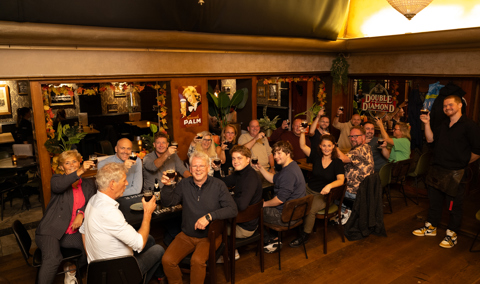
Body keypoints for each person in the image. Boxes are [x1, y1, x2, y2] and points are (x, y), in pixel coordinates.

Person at [413, 95, 480, 248]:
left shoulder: (469, 126)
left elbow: (478, 150)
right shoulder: (443, 124)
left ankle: (452, 234)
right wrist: (427, 124)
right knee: (434, 202)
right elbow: (430, 140)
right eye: (444, 106)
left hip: (456, 174)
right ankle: (431, 228)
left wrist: (462, 162)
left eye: (450, 104)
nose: (447, 108)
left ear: (460, 105)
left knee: (453, 206)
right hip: (436, 170)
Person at [160, 151, 238, 284]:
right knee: (167, 260)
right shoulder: (184, 184)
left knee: (196, 261)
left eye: (201, 166)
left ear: (208, 167)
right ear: (190, 169)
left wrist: (209, 217)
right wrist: (167, 187)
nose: (198, 169)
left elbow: (233, 210)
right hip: (187, 235)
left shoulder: (218, 185)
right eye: (195, 166)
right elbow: (168, 202)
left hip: (210, 236)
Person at [80, 163, 165, 283]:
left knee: (149, 239)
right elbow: (139, 243)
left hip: (97, 270)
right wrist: (147, 212)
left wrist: (93, 260)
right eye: (124, 180)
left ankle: (159, 276)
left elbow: (83, 232)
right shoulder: (109, 212)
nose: (126, 183)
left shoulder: (93, 200)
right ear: (112, 184)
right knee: (159, 249)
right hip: (119, 273)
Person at [35, 150, 96, 284]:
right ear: (62, 167)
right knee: (53, 259)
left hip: (72, 231)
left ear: (79, 161)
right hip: (51, 230)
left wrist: (81, 213)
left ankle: (70, 270)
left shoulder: (88, 184)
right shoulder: (57, 180)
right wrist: (80, 171)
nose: (72, 165)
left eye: (74, 161)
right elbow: (59, 187)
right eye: (67, 163)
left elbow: (91, 203)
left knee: (91, 248)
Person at [290, 133, 345, 247]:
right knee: (293, 198)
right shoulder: (316, 156)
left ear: (334, 146)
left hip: (324, 195)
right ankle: (294, 225)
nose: (326, 148)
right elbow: (302, 146)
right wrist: (302, 132)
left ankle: (305, 235)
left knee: (310, 209)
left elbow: (341, 180)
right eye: (324, 145)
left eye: (329, 146)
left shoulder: (337, 162)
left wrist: (329, 186)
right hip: (309, 188)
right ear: (320, 146)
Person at [252, 141, 306, 253]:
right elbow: (273, 179)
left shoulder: (288, 173)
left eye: (279, 153)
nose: (275, 156)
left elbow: (279, 200)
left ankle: (271, 240)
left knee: (253, 211)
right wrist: (261, 168)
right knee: (264, 200)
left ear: (288, 153)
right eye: (274, 153)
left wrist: (263, 204)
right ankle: (273, 235)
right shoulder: (292, 166)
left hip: (285, 216)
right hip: (295, 213)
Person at [213, 145, 263, 260]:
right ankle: (228, 250)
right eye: (234, 158)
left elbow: (241, 205)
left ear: (248, 159)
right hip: (242, 220)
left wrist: (224, 200)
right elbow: (222, 182)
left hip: (245, 227)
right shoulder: (240, 173)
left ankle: (226, 253)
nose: (235, 161)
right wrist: (216, 170)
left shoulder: (250, 177)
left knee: (212, 227)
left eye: (239, 158)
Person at [336, 126, 374, 224]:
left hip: (353, 193)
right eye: (351, 136)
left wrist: (333, 145)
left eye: (356, 136)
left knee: (329, 191)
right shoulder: (366, 147)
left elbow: (343, 159)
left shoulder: (360, 150)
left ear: (364, 137)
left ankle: (345, 211)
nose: (352, 139)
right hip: (363, 190)